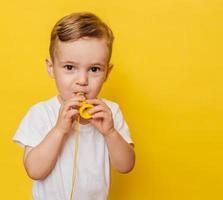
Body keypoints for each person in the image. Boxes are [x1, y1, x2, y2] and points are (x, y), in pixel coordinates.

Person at [12, 12, 135, 200]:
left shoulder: (110, 112)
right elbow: (35, 171)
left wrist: (110, 133)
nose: (82, 81)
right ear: (51, 67)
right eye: (70, 67)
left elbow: (126, 166)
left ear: (107, 73)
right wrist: (59, 130)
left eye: (94, 69)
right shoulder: (40, 113)